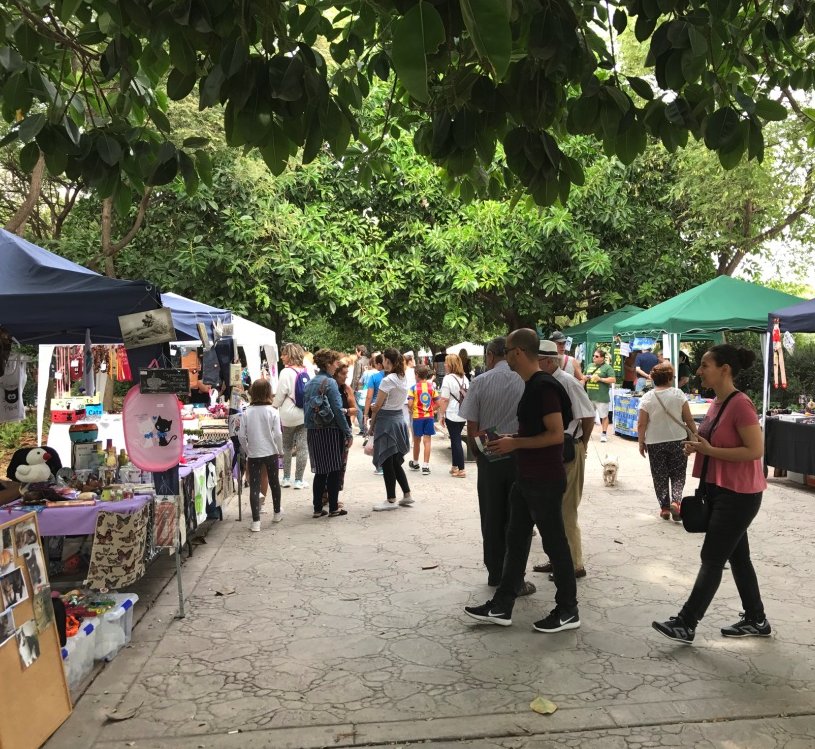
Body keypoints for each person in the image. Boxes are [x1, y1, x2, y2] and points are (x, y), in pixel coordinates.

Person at [652, 344, 770, 644]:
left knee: (713, 557)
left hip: (739, 494)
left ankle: (686, 622)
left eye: (705, 365)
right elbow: (711, 440)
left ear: (724, 369)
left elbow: (755, 451)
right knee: (739, 558)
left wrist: (709, 449)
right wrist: (697, 444)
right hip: (720, 489)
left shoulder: (741, 404)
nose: (699, 370)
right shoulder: (717, 402)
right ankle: (756, 619)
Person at [464, 329, 579, 633]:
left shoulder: (543, 386)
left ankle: (568, 610)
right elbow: (535, 432)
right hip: (526, 478)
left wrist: (515, 444)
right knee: (515, 543)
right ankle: (502, 605)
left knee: (555, 545)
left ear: (517, 352)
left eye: (509, 351)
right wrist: (511, 438)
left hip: (543, 479)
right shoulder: (531, 386)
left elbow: (555, 435)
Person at [459, 336, 534, 595]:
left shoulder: (479, 382)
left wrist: (478, 455)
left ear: (490, 356)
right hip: (520, 455)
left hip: (489, 456)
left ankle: (494, 571)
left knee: (491, 515)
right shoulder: (525, 381)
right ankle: (516, 578)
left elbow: (471, 426)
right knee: (519, 518)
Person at [534, 339, 595, 580]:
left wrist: (583, 444)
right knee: (552, 510)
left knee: (566, 509)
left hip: (569, 448)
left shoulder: (568, 382)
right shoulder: (545, 381)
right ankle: (558, 558)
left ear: (548, 361)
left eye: (537, 361)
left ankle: (573, 564)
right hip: (554, 450)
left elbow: (588, 416)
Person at [637, 361, 698, 521]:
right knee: (678, 474)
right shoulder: (678, 394)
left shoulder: (647, 397)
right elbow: (689, 419)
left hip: (655, 442)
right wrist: (696, 435)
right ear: (670, 378)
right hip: (678, 440)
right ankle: (676, 503)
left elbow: (641, 423)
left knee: (659, 475)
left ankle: (664, 508)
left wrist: (641, 441)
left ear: (653, 379)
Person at [302, 349, 353, 518]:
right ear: (328, 364)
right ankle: (333, 507)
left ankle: (317, 508)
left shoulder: (310, 383)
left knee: (320, 471)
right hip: (330, 431)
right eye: (335, 362)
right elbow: (338, 411)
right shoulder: (330, 383)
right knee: (334, 470)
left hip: (313, 431)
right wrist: (347, 432)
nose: (337, 365)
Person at [370, 348, 414, 511]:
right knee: (395, 462)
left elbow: (378, 405)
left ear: (388, 361)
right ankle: (407, 494)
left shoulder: (388, 380)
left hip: (386, 421)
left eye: (384, 360)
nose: (382, 363)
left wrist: (371, 423)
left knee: (387, 461)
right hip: (398, 420)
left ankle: (391, 499)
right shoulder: (402, 377)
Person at [238, 379, 283, 532]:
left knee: (254, 487)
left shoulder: (246, 412)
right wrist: (280, 450)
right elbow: (278, 434)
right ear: (268, 392)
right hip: (271, 452)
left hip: (254, 454)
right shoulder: (273, 411)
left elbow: (241, 436)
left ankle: (256, 521)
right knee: (274, 482)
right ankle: (277, 513)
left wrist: (247, 449)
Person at [272, 343, 310, 490]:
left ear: (290, 355)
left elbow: (280, 394)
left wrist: (274, 407)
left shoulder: (286, 372)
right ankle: (299, 480)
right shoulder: (308, 370)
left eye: (284, 354)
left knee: (287, 446)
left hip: (288, 414)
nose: (281, 357)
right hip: (304, 413)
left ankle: (286, 478)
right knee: (303, 447)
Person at [438, 354, 469, 478]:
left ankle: (461, 469)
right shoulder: (465, 378)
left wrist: (441, 415)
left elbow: (444, 399)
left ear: (451, 364)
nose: (444, 365)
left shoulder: (448, 379)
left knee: (455, 441)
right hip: (463, 413)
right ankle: (455, 466)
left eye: (446, 362)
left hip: (452, 413)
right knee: (455, 438)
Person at [408, 365, 440, 475]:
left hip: (417, 417)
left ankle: (415, 462)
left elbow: (410, 404)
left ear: (417, 375)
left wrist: (412, 409)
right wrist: (431, 409)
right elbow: (438, 403)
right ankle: (425, 466)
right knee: (427, 441)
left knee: (417, 440)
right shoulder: (432, 387)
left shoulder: (413, 388)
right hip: (429, 417)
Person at [584, 348, 617, 443]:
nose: (594, 357)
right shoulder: (589, 366)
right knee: (588, 417)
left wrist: (600, 379)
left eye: (597, 356)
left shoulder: (607, 367)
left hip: (601, 397)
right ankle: (587, 433)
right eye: (594, 356)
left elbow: (613, 380)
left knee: (604, 416)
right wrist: (585, 378)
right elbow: (582, 377)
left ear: (602, 358)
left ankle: (604, 433)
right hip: (589, 397)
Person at [351, 345, 369, 435]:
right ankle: (366, 426)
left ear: (359, 352)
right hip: (368, 388)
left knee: (357, 408)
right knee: (365, 408)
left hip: (359, 388)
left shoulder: (358, 362)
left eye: (356, 351)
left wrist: (352, 389)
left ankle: (363, 428)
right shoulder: (369, 361)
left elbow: (356, 377)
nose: (356, 353)